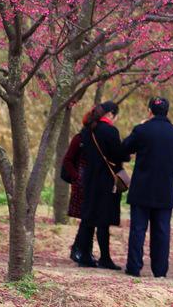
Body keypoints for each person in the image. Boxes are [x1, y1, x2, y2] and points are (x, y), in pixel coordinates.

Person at [121, 96, 173, 278]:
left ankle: (134, 267)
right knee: (162, 231)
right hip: (164, 189)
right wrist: (169, 169)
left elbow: (125, 147)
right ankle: (160, 270)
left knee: (138, 230)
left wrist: (139, 127)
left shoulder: (142, 130)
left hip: (141, 188)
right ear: (167, 111)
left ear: (149, 111)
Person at [76, 101, 125, 270]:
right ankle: (105, 258)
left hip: (89, 178)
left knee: (88, 217)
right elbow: (118, 155)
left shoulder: (87, 130)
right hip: (106, 180)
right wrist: (126, 155)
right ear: (110, 114)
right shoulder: (110, 131)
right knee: (104, 219)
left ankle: (84, 255)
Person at [61, 108, 94, 264]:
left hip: (90, 181)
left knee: (88, 219)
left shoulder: (94, 138)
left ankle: (83, 250)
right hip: (81, 183)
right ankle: (79, 249)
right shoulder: (79, 139)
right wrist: (76, 177)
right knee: (87, 218)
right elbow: (67, 160)